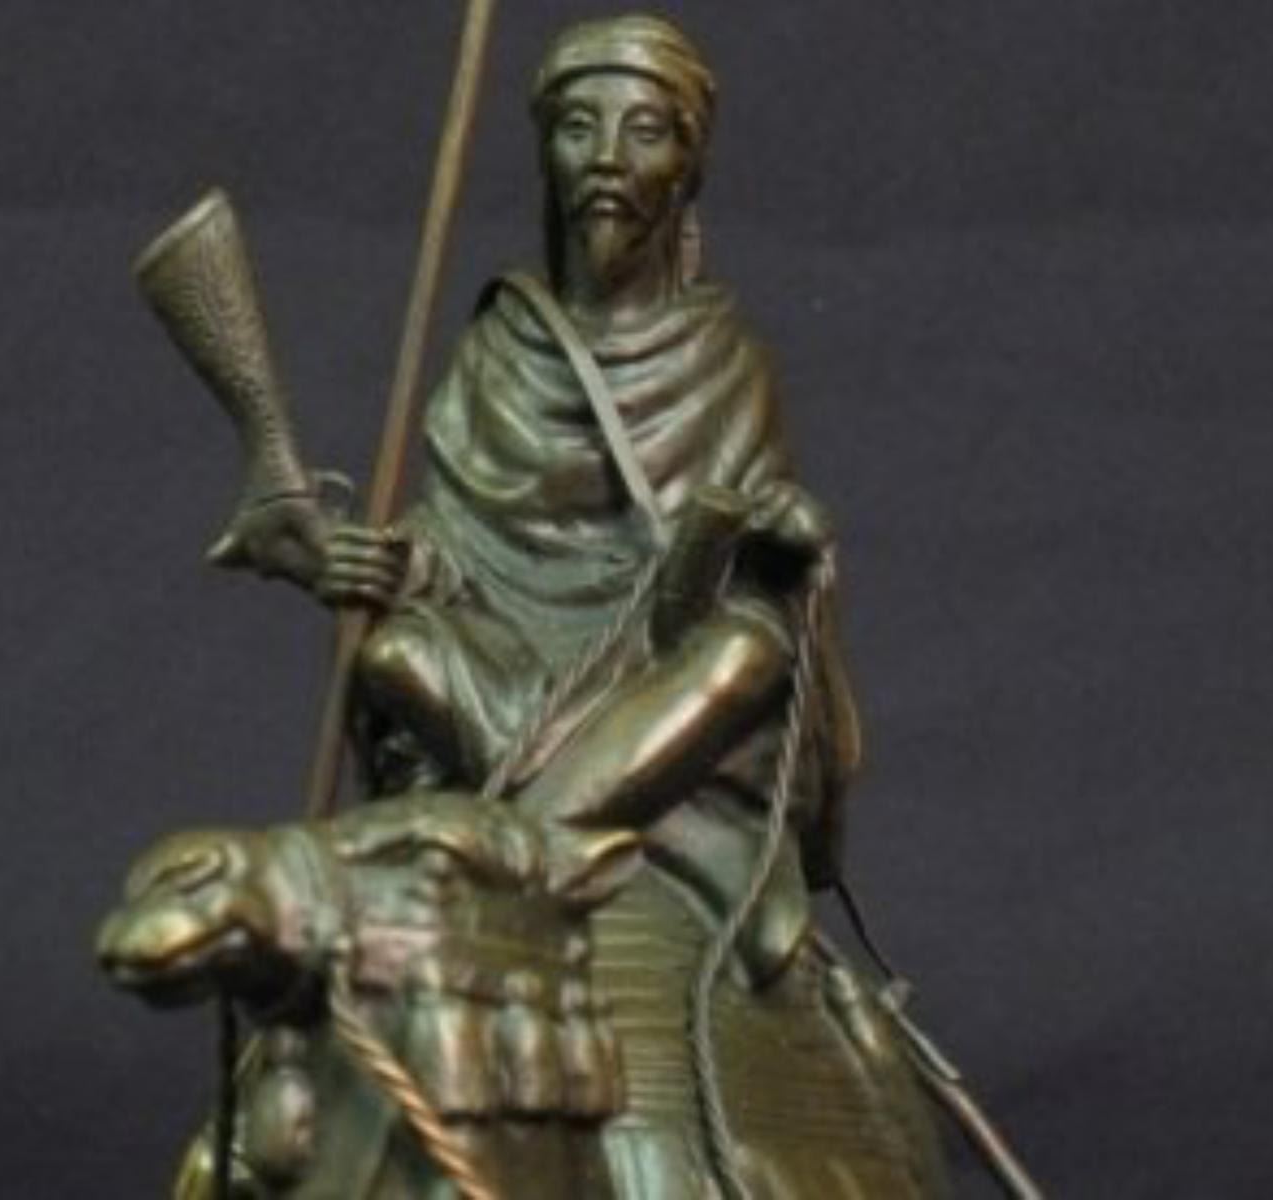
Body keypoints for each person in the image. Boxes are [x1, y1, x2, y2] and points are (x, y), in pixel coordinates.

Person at [307, 15, 947, 1197]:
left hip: (664, 711)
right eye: (579, 128)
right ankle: (526, 826)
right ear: (545, 153)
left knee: (750, 651)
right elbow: (452, 559)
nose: (607, 156)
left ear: (687, 164)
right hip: (511, 690)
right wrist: (379, 566)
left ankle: (516, 840)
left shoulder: (725, 358)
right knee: (396, 654)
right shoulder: (496, 356)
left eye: (645, 131)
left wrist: (773, 543)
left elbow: (727, 596)